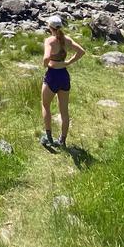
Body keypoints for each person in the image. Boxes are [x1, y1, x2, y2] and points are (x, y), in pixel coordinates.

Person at [40, 16, 85, 149]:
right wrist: (68, 62)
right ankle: (62, 140)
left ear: (50, 27)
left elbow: (47, 57)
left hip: (52, 76)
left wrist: (45, 64)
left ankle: (48, 137)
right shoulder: (67, 40)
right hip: (64, 75)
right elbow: (81, 51)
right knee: (64, 111)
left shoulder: (49, 41)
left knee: (46, 106)